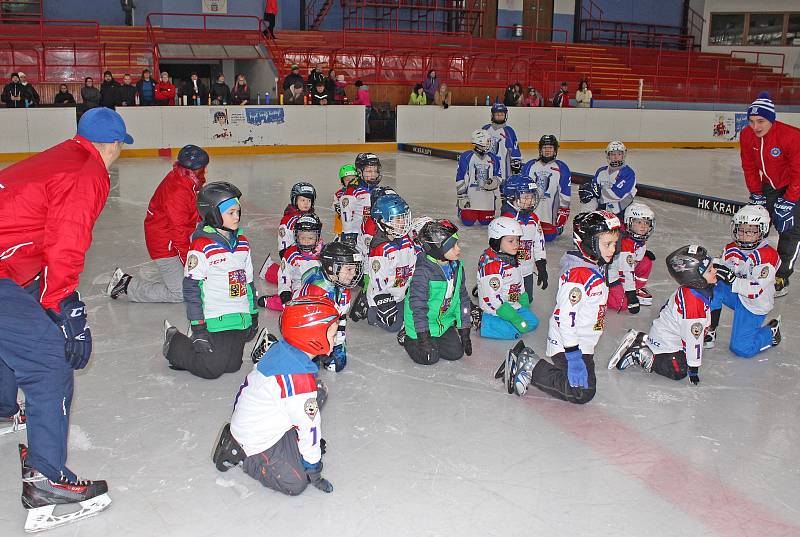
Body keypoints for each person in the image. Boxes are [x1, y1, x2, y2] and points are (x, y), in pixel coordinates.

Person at [0, 107, 133, 532]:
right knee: (48, 362)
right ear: (112, 145)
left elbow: (29, 227)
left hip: (7, 269)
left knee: (17, 323)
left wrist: (44, 295)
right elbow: (66, 241)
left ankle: (3, 407)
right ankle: (48, 482)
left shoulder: (61, 155)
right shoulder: (88, 173)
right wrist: (65, 306)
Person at [212, 296, 338, 496]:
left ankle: (289, 448)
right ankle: (241, 454)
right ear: (312, 336)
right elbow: (309, 429)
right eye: (332, 333)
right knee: (296, 483)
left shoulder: (285, 350)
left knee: (318, 392)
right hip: (255, 440)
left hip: (261, 417)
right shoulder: (300, 386)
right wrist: (313, 467)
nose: (336, 338)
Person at [501, 211, 620, 403]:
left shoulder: (594, 267)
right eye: (607, 244)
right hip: (568, 344)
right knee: (581, 393)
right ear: (588, 242)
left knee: (585, 386)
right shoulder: (579, 277)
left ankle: (533, 362)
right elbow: (565, 317)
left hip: (582, 343)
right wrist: (573, 355)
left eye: (614, 243)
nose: (613, 249)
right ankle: (528, 363)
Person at [162, 181, 258, 379]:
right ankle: (175, 343)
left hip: (238, 317)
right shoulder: (202, 246)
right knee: (212, 369)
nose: (237, 217)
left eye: (238, 211)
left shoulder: (242, 244)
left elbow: (248, 282)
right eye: (231, 213)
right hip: (214, 318)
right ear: (213, 214)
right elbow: (191, 288)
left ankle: (201, 354)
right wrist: (198, 326)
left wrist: (252, 313)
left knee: (233, 366)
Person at [106, 145, 209, 303]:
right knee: (180, 293)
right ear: (195, 170)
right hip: (165, 245)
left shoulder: (185, 179)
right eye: (203, 168)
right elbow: (179, 234)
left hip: (170, 236)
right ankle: (126, 285)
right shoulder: (178, 191)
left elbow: (190, 212)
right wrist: (191, 263)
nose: (206, 172)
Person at [608, 245, 720, 385]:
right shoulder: (693, 304)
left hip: (670, 335)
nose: (715, 271)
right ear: (695, 277)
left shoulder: (695, 290)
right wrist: (693, 367)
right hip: (666, 341)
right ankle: (640, 352)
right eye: (710, 270)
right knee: (678, 371)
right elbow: (693, 338)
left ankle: (642, 339)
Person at [740, 92, 800, 297]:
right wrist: (756, 193)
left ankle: (781, 276)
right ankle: (755, 265)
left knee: (790, 230)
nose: (755, 126)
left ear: (771, 119)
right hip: (769, 185)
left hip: (795, 184)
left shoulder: (791, 136)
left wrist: (790, 200)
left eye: (761, 121)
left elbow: (798, 172)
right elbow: (749, 167)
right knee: (757, 224)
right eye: (751, 121)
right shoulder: (747, 135)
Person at [704, 205, 782, 357]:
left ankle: (771, 332)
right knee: (711, 284)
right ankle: (710, 329)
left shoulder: (768, 256)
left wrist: (732, 279)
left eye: (752, 231)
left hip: (753, 304)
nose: (745, 235)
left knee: (741, 349)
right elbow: (718, 268)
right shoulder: (731, 248)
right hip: (736, 294)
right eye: (741, 229)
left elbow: (754, 291)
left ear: (762, 231)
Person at [400, 219, 472, 364]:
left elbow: (462, 299)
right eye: (452, 246)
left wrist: (464, 330)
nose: (458, 249)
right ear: (437, 249)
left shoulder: (457, 268)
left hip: (443, 324)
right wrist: (423, 339)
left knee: (455, 353)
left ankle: (434, 340)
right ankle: (408, 339)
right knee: (429, 359)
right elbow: (418, 308)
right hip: (420, 327)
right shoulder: (423, 273)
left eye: (457, 244)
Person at [297, 241, 364, 372]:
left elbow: (341, 318)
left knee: (336, 365)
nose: (353, 274)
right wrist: (317, 350)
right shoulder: (315, 290)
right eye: (349, 269)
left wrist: (337, 343)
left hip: (327, 330)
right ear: (331, 267)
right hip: (304, 334)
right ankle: (271, 346)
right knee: (308, 369)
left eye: (354, 269)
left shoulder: (343, 287)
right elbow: (304, 327)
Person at [359, 193, 417, 332]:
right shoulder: (380, 250)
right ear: (383, 222)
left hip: (401, 294)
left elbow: (414, 265)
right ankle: (370, 310)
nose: (403, 223)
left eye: (403, 218)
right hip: (383, 298)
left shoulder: (406, 241)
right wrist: (385, 304)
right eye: (397, 220)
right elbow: (379, 285)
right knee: (395, 325)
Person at [476, 216, 538, 339]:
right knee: (513, 332)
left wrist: (522, 301)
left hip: (512, 304)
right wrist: (514, 318)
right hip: (496, 310)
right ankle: (484, 322)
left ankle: (509, 321)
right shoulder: (492, 265)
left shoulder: (512, 257)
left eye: (517, 240)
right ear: (496, 241)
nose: (516, 244)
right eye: (511, 241)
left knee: (532, 322)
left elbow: (518, 281)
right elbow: (492, 299)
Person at [258, 182, 317, 296]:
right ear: (295, 200)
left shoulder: (312, 217)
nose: (306, 203)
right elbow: (283, 248)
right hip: (295, 255)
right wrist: (290, 263)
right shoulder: (288, 221)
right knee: (295, 278)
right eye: (302, 200)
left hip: (306, 253)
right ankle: (269, 270)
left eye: (309, 201)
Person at [500, 174, 548, 298]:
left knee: (528, 300)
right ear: (512, 197)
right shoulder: (507, 220)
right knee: (510, 301)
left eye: (531, 197)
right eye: (525, 197)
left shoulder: (534, 219)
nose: (530, 201)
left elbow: (539, 242)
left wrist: (541, 264)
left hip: (527, 271)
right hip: (509, 272)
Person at [607, 202, 656, 314]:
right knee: (621, 305)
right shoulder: (626, 243)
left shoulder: (636, 237)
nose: (643, 226)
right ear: (630, 222)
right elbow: (627, 272)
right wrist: (631, 295)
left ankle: (633, 288)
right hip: (612, 275)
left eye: (647, 222)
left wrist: (641, 253)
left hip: (622, 269)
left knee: (646, 262)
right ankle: (604, 293)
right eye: (639, 222)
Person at [521, 135, 572, 241]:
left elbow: (565, 193)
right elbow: (521, 188)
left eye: (550, 148)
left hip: (549, 216)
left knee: (548, 238)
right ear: (540, 149)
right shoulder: (530, 165)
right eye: (544, 148)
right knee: (527, 235)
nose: (547, 150)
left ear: (555, 150)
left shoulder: (562, 167)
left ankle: (554, 226)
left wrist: (563, 211)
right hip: (530, 212)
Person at [273, 214, 324, 310]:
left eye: (310, 238)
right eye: (303, 238)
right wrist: (285, 292)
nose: (306, 241)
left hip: (318, 289)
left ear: (317, 237)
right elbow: (284, 274)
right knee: (292, 305)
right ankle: (271, 301)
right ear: (296, 236)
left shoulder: (324, 253)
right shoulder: (291, 253)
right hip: (299, 288)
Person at [579, 140, 636, 219]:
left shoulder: (628, 173)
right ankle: (584, 221)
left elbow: (617, 195)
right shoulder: (601, 171)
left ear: (623, 155)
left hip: (621, 206)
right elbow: (594, 186)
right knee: (588, 201)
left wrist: (596, 192)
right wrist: (588, 192)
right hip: (605, 204)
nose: (616, 157)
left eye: (619, 154)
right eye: (613, 154)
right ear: (608, 156)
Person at [455, 129, 501, 226]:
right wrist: (462, 197)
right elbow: (460, 178)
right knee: (468, 222)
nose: (490, 143)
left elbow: (499, 176)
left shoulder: (493, 158)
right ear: (480, 142)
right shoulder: (467, 156)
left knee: (486, 222)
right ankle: (461, 210)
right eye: (488, 141)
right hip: (471, 199)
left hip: (487, 201)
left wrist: (495, 181)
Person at [481, 103, 522, 183]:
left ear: (505, 115)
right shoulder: (485, 129)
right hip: (487, 165)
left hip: (503, 168)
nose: (499, 116)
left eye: (502, 114)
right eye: (497, 114)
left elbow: (515, 149)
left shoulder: (509, 131)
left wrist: (516, 162)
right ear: (492, 115)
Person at [333, 164, 366, 245]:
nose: (351, 181)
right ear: (342, 181)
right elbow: (336, 206)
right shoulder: (338, 194)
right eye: (347, 179)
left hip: (358, 228)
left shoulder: (362, 192)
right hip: (342, 230)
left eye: (353, 179)